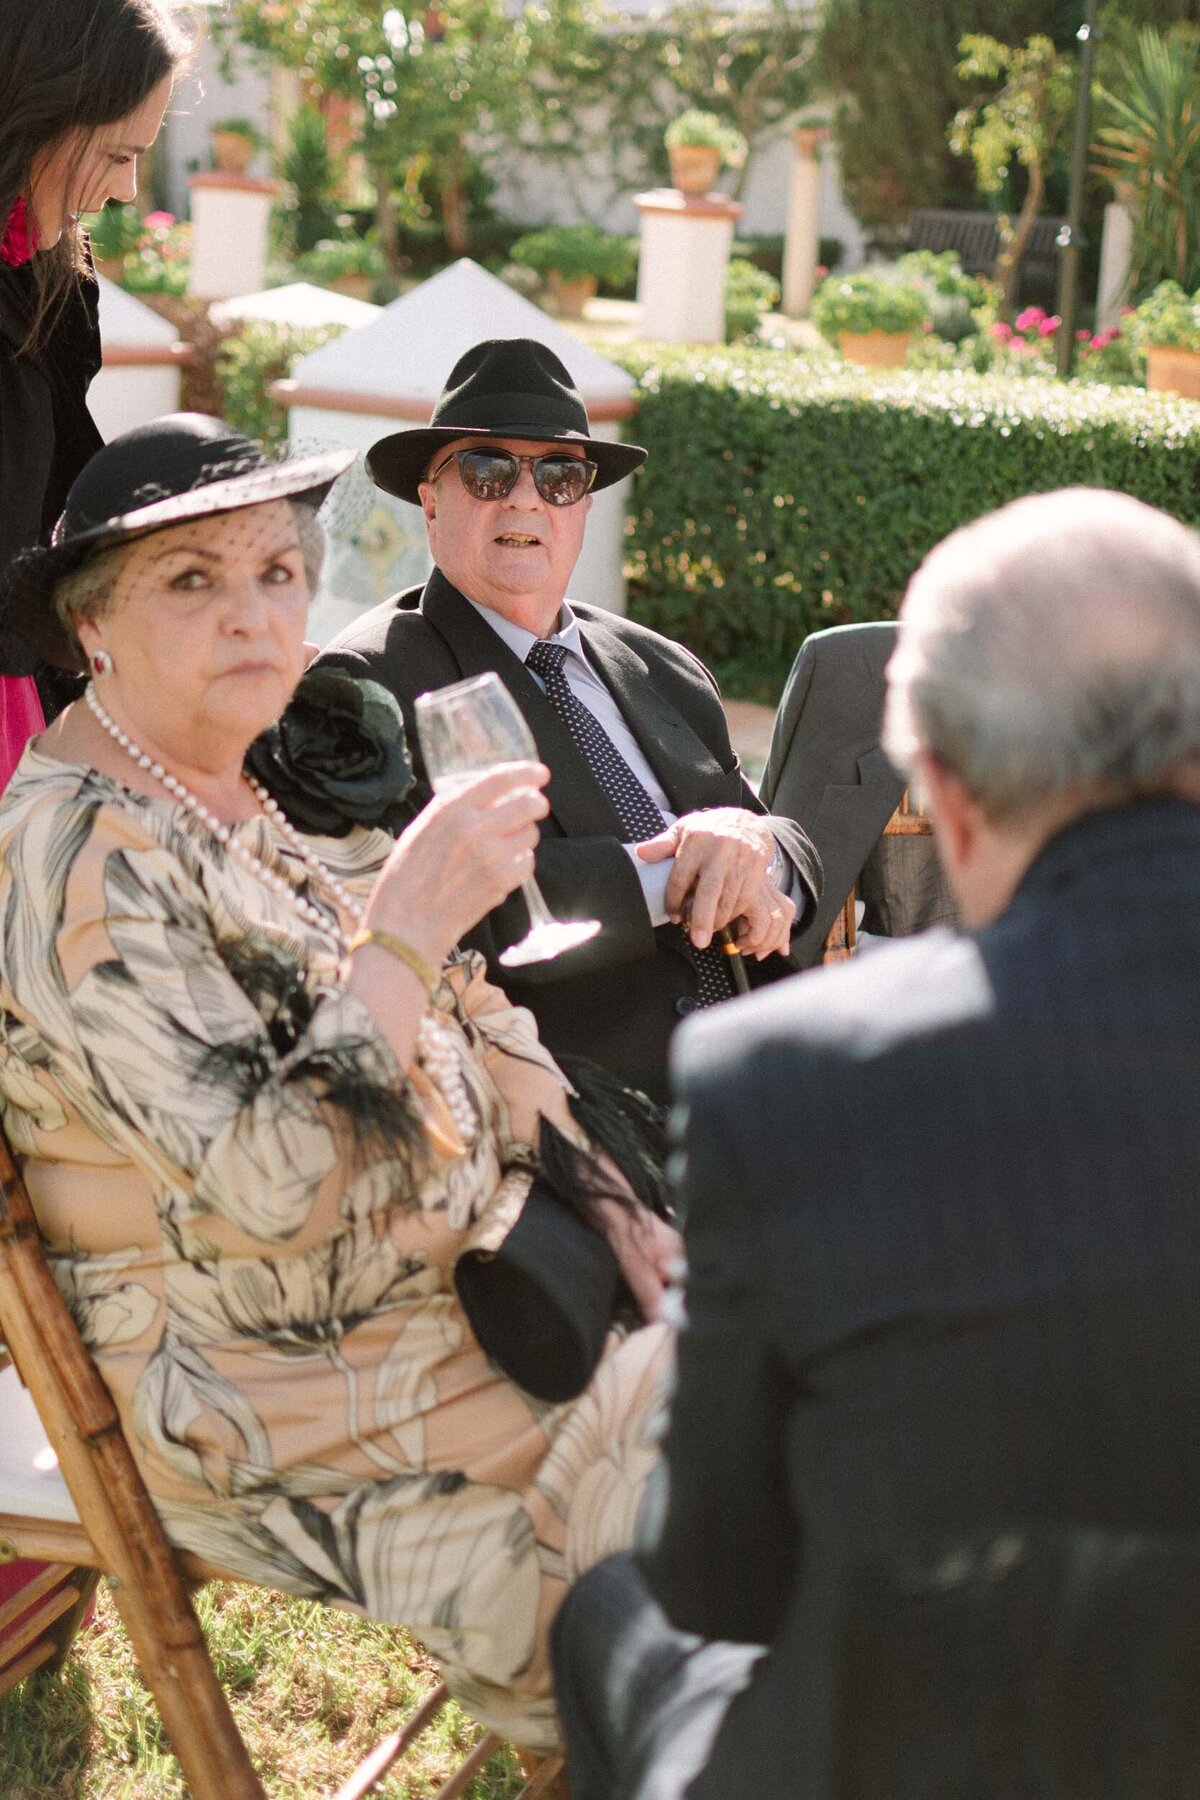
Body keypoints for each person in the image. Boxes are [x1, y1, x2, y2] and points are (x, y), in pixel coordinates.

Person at [0, 413, 678, 1750]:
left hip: (467, 1305)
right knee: (719, 1579)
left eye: (275, 571)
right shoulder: (74, 857)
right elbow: (269, 1185)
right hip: (274, 1393)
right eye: (190, 583)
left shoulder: (239, 785)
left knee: (823, 1416)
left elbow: (478, 1006)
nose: (253, 614)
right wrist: (409, 932)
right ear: (90, 631)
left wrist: (617, 1209)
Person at [551, 488, 1200, 1798]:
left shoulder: (781, 1082)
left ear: (943, 796)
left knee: (606, 1613)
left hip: (913, 1748)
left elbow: (718, 1574)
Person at [316, 338, 821, 1104]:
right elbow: (440, 908)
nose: (524, 498)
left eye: (558, 476)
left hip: (771, 1076)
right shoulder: (367, 684)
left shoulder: (663, 666)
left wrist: (756, 848)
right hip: (581, 1107)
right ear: (430, 501)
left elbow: (772, 833)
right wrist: (683, 877)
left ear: (582, 508)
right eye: (487, 472)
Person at [0, 0, 185, 768]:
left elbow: (58, 510)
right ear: (37, 118)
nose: (129, 189)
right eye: (116, 155)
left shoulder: (53, 286)